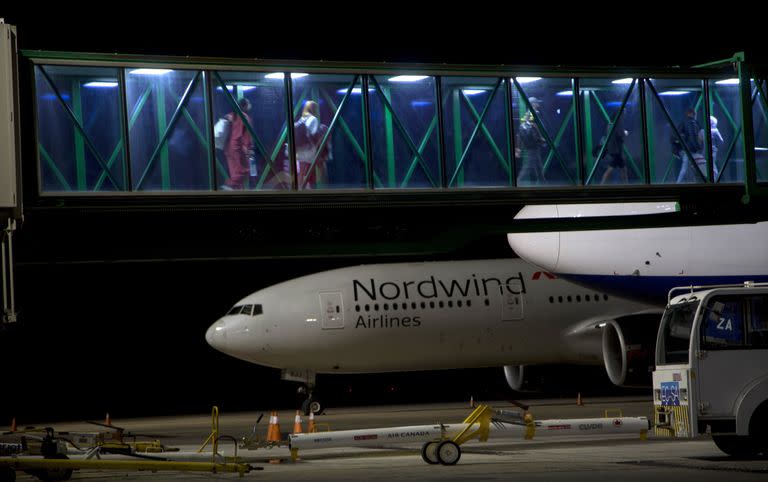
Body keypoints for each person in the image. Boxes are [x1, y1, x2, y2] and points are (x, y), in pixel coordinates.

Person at [293, 100, 331, 189]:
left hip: (300, 150)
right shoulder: (313, 119)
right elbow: (313, 134)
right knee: (321, 166)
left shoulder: (302, 119)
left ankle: (299, 190)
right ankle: (323, 188)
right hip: (310, 149)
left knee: (301, 171)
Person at [221, 98, 253, 190]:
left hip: (228, 148)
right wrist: (249, 149)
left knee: (233, 171)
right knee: (244, 170)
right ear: (244, 106)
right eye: (248, 103)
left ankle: (236, 188)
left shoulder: (230, 115)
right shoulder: (245, 117)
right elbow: (247, 135)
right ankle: (229, 185)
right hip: (238, 147)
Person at [516, 97, 547, 186]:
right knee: (528, 166)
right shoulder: (534, 113)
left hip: (530, 143)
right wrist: (541, 137)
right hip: (533, 143)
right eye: (536, 103)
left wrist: (518, 147)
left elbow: (520, 131)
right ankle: (518, 182)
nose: (538, 104)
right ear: (533, 104)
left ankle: (543, 182)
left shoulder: (526, 115)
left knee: (538, 165)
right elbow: (533, 125)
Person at [675, 108, 702, 183]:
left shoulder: (683, 123)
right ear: (692, 114)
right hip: (694, 150)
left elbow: (677, 136)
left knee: (684, 168)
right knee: (696, 168)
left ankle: (678, 183)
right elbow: (696, 137)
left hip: (687, 149)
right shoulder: (695, 123)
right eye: (695, 114)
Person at [696, 115, 723, 181]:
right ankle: (715, 179)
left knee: (704, 165)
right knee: (713, 165)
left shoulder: (702, 131)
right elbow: (721, 141)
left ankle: (705, 179)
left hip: (704, 151)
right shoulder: (715, 131)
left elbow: (699, 141)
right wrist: (716, 146)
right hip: (713, 151)